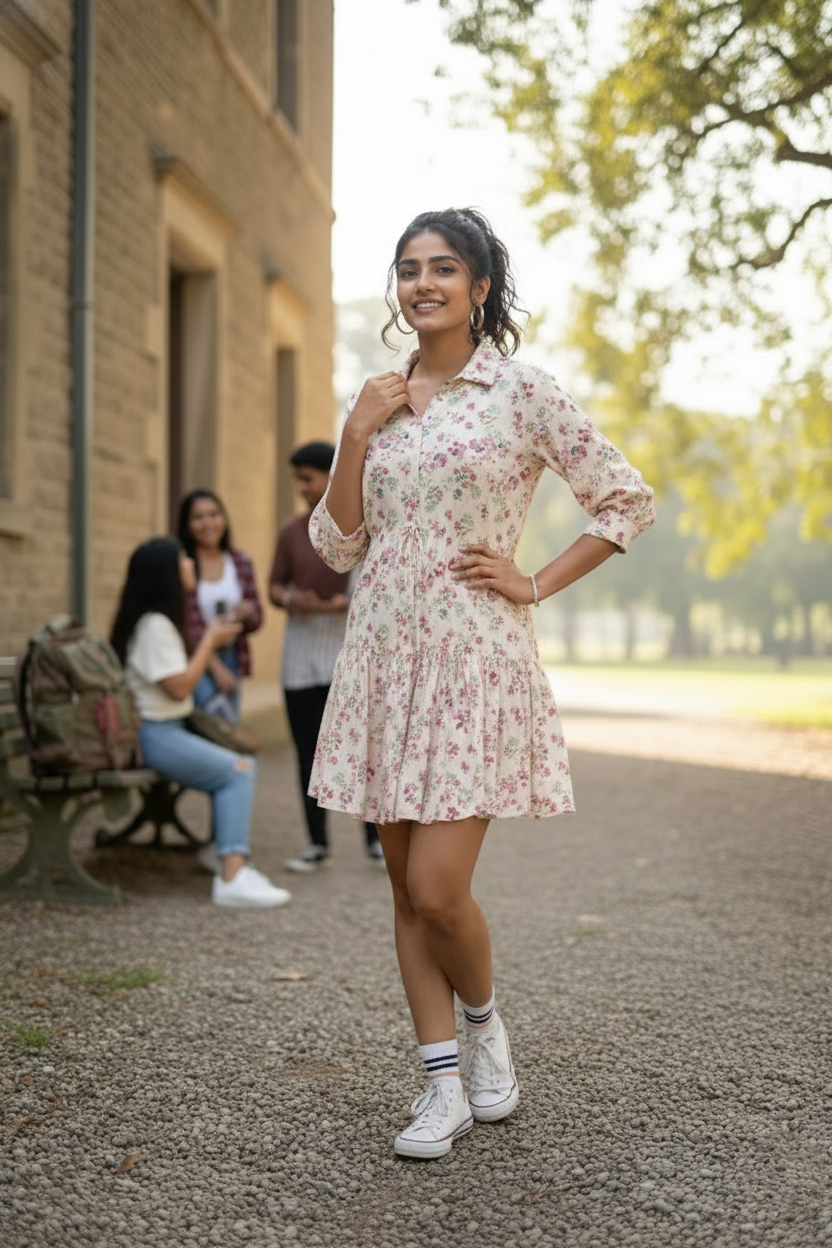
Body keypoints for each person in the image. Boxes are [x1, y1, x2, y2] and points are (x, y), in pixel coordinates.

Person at [307, 208, 656, 1158]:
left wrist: (534, 579)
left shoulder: (521, 391)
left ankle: (485, 1022)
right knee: (400, 888)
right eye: (409, 269)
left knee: (438, 887)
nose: (423, 284)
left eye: (444, 269)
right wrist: (354, 431)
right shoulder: (377, 398)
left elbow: (627, 497)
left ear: (480, 287)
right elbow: (338, 547)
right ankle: (441, 1088)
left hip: (471, 664)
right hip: (383, 657)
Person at [111, 537, 291, 909]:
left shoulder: (163, 621)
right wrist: (209, 642)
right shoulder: (156, 625)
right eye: (182, 560)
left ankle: (224, 852)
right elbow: (179, 688)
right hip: (155, 735)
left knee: (238, 760)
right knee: (239, 770)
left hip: (168, 729)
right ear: (166, 572)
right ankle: (231, 875)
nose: (190, 563)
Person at [269, 442, 384, 872]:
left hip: (349, 651)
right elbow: (274, 587)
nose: (301, 488)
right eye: (297, 480)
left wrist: (344, 604)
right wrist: (290, 598)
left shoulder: (364, 526)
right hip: (300, 657)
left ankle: (375, 842)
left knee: (364, 750)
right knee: (306, 751)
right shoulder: (290, 532)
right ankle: (317, 844)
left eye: (307, 479)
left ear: (330, 477)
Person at [176, 489, 263, 726]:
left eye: (214, 514)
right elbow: (184, 623)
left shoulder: (240, 561)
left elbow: (258, 620)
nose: (208, 523)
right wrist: (214, 666)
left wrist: (247, 612)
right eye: (198, 517)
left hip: (232, 653)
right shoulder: (183, 564)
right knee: (207, 724)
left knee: (228, 727)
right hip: (193, 656)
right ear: (187, 524)